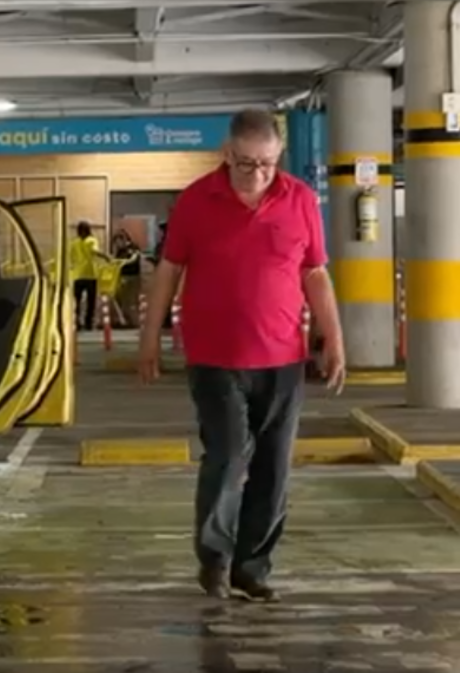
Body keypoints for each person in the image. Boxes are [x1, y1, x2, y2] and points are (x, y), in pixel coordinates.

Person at [138, 109, 345, 603]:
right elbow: (169, 270)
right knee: (228, 459)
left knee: (274, 467)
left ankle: (252, 568)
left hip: (282, 360)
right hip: (214, 358)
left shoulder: (299, 199)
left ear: (279, 158)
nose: (257, 175)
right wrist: (150, 337)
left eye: (268, 165)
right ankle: (214, 559)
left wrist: (333, 336)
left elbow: (314, 273)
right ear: (226, 155)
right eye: (247, 163)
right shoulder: (195, 201)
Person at [68, 220, 108, 330]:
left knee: (77, 301)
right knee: (91, 301)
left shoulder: (74, 243)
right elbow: (95, 251)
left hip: (77, 275)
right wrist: (106, 257)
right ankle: (88, 323)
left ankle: (76, 322)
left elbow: (71, 258)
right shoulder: (91, 240)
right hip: (90, 275)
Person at [111, 230, 142, 327]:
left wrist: (123, 262)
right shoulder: (120, 250)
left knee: (129, 300)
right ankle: (124, 320)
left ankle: (133, 322)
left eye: (118, 242)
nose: (117, 245)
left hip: (131, 276)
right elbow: (115, 259)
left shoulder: (133, 247)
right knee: (119, 298)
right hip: (122, 276)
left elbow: (134, 258)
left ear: (123, 239)